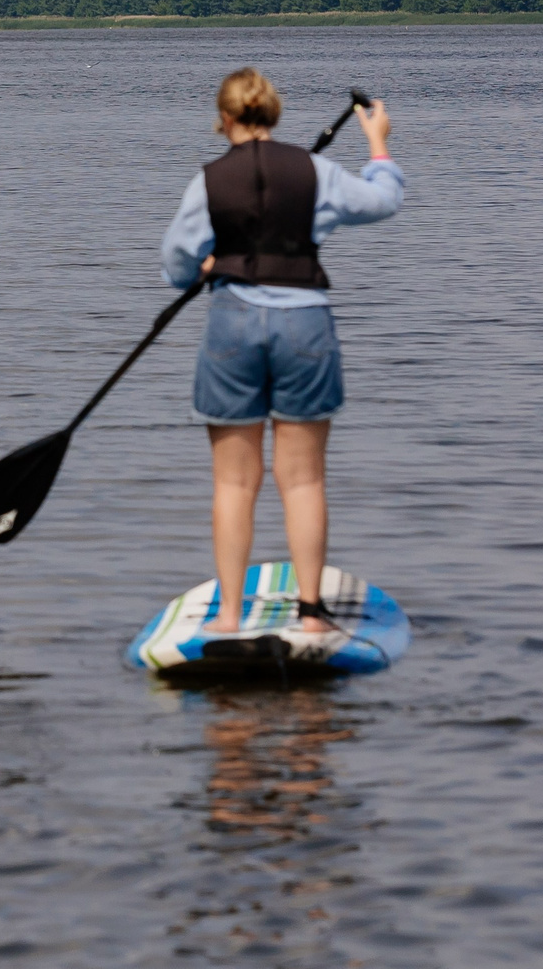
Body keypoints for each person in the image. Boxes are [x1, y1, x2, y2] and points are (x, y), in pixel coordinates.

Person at [160, 69, 401, 639]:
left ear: (223, 121)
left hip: (232, 329)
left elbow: (175, 264)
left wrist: (207, 265)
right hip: (305, 328)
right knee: (303, 481)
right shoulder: (317, 172)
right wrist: (378, 143)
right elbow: (383, 201)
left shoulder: (208, 182)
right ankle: (312, 615)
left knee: (234, 485)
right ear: (274, 114)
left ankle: (227, 616)